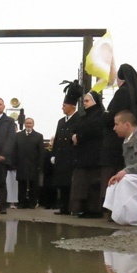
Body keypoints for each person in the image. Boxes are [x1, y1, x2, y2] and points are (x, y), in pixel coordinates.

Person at [100, 64, 137, 202]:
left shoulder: (122, 93)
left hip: (115, 143)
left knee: (114, 174)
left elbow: (110, 117)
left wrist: (105, 116)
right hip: (132, 139)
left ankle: (112, 206)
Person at [70, 91, 105, 218]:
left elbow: (94, 130)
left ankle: (94, 210)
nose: (84, 103)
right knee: (82, 184)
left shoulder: (99, 115)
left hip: (94, 155)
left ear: (94, 101)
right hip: (82, 154)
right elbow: (75, 128)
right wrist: (74, 136)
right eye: (84, 101)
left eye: (87, 101)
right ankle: (82, 208)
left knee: (93, 183)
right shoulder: (83, 116)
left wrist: (78, 136)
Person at [52, 80, 83, 215]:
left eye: (64, 105)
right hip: (60, 157)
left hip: (71, 156)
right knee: (62, 183)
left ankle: (72, 207)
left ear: (71, 106)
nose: (62, 108)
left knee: (71, 184)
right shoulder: (60, 121)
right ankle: (63, 207)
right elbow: (57, 138)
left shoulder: (79, 118)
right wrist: (53, 154)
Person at [13, 117, 44, 209]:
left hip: (33, 165)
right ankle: (21, 203)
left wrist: (40, 165)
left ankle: (32, 203)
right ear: (24, 124)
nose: (28, 125)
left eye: (30, 123)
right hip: (21, 164)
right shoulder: (18, 135)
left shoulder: (38, 136)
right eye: (27, 123)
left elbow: (41, 152)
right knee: (21, 184)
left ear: (33, 125)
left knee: (33, 185)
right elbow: (14, 150)